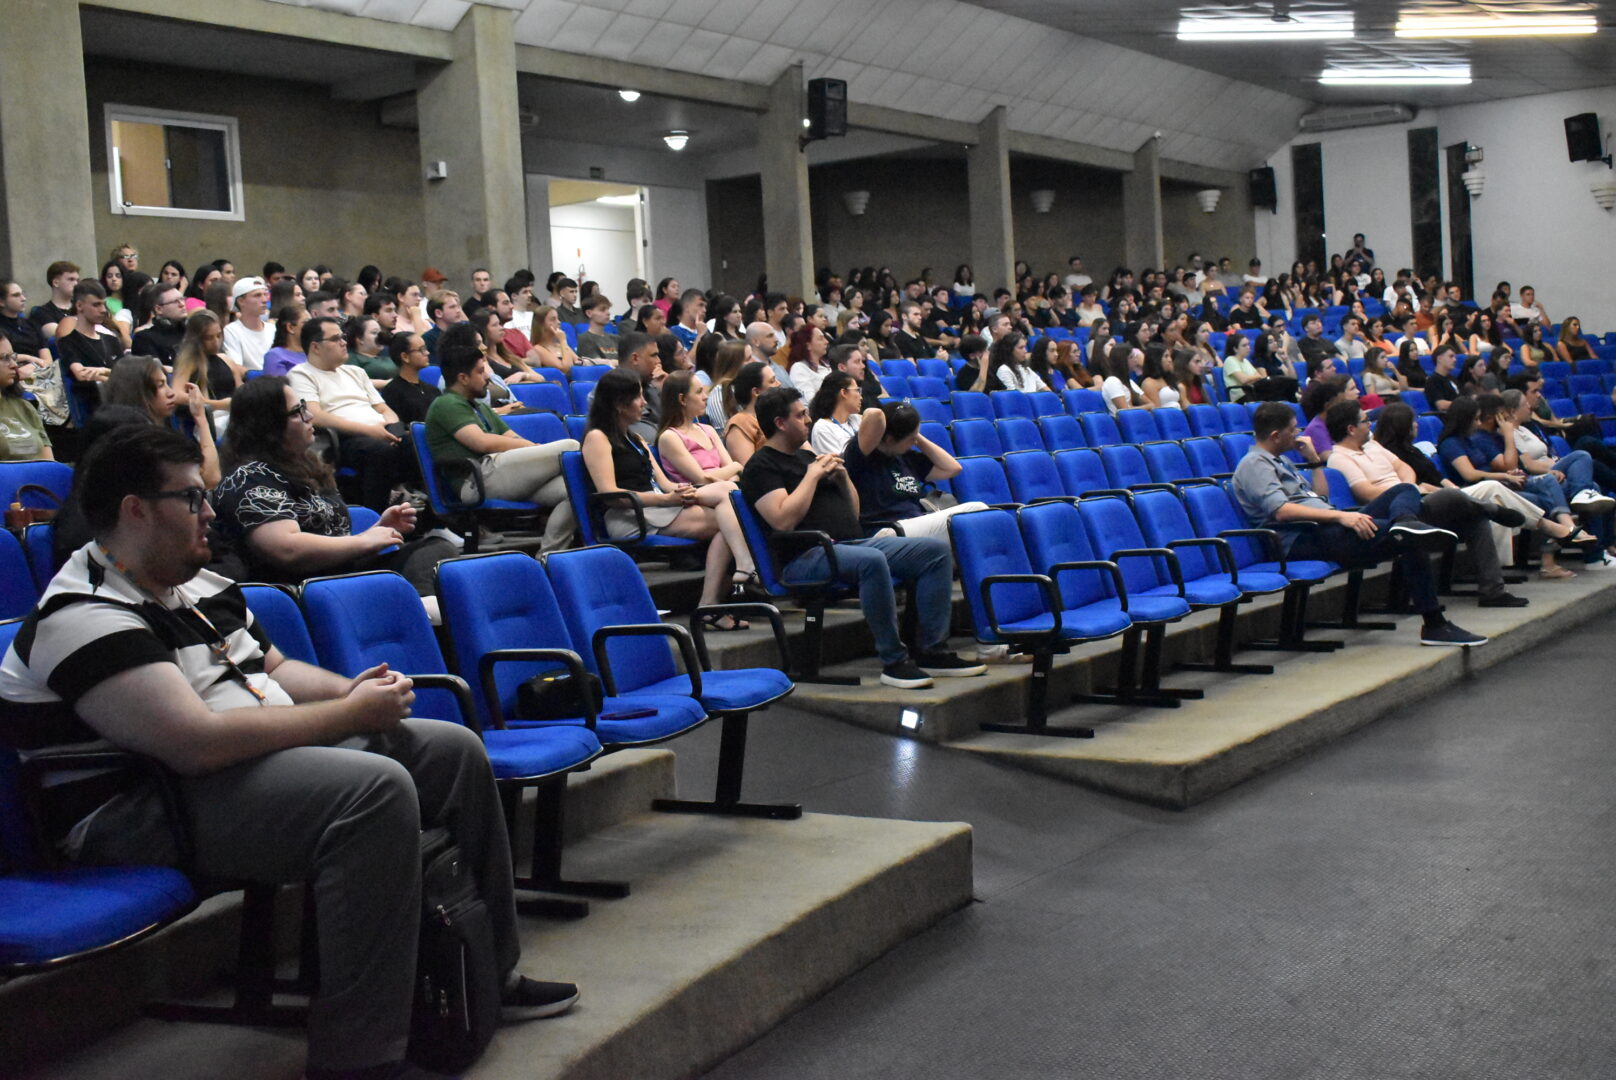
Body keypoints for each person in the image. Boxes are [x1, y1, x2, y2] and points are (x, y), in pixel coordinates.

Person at [0, 423, 576, 1080]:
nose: (210, 513)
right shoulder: (83, 614)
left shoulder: (197, 587)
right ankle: (359, 1056)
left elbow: (272, 670)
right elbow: (194, 745)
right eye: (191, 498)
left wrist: (351, 691)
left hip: (226, 775)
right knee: (373, 791)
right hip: (134, 811)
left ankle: (490, 974)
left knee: (450, 750)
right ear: (136, 510)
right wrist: (345, 717)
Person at [739, 387, 987, 688]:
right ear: (780, 423)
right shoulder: (761, 466)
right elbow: (782, 520)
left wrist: (843, 479)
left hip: (847, 544)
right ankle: (894, 662)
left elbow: (852, 512)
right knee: (872, 560)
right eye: (801, 415)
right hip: (804, 557)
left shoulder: (806, 456)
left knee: (933, 552)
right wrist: (812, 476)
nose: (808, 420)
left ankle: (932, 650)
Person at [1230, 401, 1486, 646]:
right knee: (1408, 538)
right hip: (1299, 539)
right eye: (1293, 429)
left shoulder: (1282, 461)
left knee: (1404, 490)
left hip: (1325, 527)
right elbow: (1282, 511)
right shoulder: (1254, 464)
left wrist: (1314, 462)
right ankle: (1434, 625)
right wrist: (1341, 516)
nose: (1298, 434)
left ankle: (1405, 520)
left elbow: (1321, 497)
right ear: (1276, 436)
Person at [211, 376, 452, 594]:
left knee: (436, 550)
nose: (309, 416)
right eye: (296, 412)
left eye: (304, 407)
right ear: (267, 426)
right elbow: (287, 549)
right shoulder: (249, 477)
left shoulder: (306, 464)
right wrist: (365, 541)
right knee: (426, 569)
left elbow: (334, 539)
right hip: (304, 590)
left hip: (339, 575)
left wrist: (378, 530)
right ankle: (421, 613)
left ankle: (421, 611)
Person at [584, 369, 753, 624]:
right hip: (628, 516)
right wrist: (666, 500)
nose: (644, 402)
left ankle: (717, 597)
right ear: (619, 404)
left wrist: (680, 491)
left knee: (727, 496)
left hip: (656, 507)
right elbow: (610, 494)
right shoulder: (598, 438)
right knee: (731, 520)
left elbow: (663, 483)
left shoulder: (635, 438)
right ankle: (732, 580)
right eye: (638, 397)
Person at [1324, 399, 1527, 607]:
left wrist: (1407, 490)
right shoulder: (1339, 458)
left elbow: (1405, 468)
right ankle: (1493, 509)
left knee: (1476, 519)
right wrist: (1404, 492)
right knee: (1451, 496)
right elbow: (1366, 492)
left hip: (1413, 500)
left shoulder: (1373, 446)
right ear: (1351, 429)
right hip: (1391, 516)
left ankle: (1493, 592)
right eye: (1365, 421)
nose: (1370, 424)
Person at [424, 336, 578, 553]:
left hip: (502, 474)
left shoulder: (479, 406)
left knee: (574, 486)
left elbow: (511, 436)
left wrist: (531, 448)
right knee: (571, 446)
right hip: (476, 480)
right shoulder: (446, 404)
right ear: (463, 378)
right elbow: (482, 443)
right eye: (480, 371)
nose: (488, 376)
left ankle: (549, 556)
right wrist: (533, 449)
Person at [1436, 395, 1599, 581]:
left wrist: (1511, 472)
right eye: (1475, 418)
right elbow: (1470, 475)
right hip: (1483, 492)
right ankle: (1565, 535)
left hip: (1504, 484)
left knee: (1568, 476)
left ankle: (1570, 529)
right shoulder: (1454, 443)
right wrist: (1506, 466)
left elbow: (1512, 466)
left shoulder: (1470, 440)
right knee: (1544, 495)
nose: (1478, 423)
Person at [288, 316, 411, 513]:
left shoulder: (355, 371)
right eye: (335, 338)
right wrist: (370, 430)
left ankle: (426, 509)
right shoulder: (301, 374)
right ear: (315, 347)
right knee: (380, 452)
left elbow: (382, 408)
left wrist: (391, 427)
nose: (344, 342)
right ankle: (376, 518)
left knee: (417, 443)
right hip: (343, 438)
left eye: (343, 336)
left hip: (381, 431)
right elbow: (315, 415)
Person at [842, 399, 985, 541]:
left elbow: (953, 468)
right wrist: (904, 425)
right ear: (890, 440)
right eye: (911, 439)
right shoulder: (861, 457)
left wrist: (914, 433)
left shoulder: (906, 457)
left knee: (973, 521)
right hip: (886, 530)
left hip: (915, 524)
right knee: (975, 510)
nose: (915, 442)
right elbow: (875, 414)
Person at [103, 354, 223, 487]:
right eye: (160, 386)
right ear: (138, 392)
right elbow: (210, 478)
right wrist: (201, 419)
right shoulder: (141, 444)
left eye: (167, 384)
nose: (171, 393)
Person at [56, 281, 120, 415]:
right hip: (95, 407)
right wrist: (114, 375)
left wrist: (103, 372)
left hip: (119, 402)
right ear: (79, 306)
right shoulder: (68, 342)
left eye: (104, 304)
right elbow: (81, 374)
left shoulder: (111, 340)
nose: (103, 310)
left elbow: (127, 374)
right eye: (96, 305)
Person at [0, 329, 52, 461]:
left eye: (13, 357)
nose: (14, 365)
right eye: (4, 358)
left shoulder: (25, 407)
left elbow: (49, 465)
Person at [723, 361, 778, 465]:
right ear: (756, 392)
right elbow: (749, 469)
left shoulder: (780, 413)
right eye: (772, 381)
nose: (779, 384)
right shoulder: (740, 423)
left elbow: (807, 453)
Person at [379, 332, 441, 426]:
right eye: (421, 350)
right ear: (405, 357)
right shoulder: (393, 392)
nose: (427, 353)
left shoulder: (433, 390)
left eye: (425, 348)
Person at [221, 277, 274, 372]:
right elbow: (236, 367)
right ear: (241, 301)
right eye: (257, 295)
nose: (264, 300)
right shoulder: (231, 331)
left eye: (265, 294)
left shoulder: (272, 328)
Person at [808, 371, 865, 455]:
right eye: (857, 390)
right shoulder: (823, 428)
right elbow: (841, 461)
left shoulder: (856, 419)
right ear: (844, 393)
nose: (861, 397)